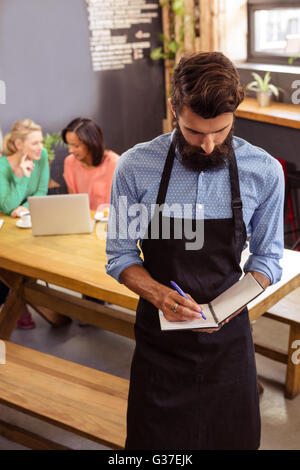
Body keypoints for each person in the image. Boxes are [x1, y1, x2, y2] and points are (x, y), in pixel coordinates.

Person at [105, 52, 285, 450]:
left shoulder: (265, 171)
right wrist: (160, 295)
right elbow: (120, 255)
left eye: (220, 131)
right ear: (173, 109)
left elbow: (267, 261)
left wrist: (222, 310)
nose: (207, 146)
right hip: (160, 346)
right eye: (193, 132)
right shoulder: (135, 167)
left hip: (229, 345)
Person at [0, 119, 49, 329]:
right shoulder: (2, 166)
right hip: (8, 231)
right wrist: (21, 176)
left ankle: (21, 298)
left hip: (31, 220)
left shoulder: (42, 157)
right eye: (35, 143)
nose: (41, 148)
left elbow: (41, 191)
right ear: (19, 145)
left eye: (41, 142)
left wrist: (26, 209)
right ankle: (16, 301)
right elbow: (8, 205)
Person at [62, 117, 119, 211]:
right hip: (82, 222)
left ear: (91, 143)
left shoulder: (115, 164)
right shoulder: (70, 162)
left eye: (76, 146)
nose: (70, 150)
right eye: (69, 144)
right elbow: (74, 204)